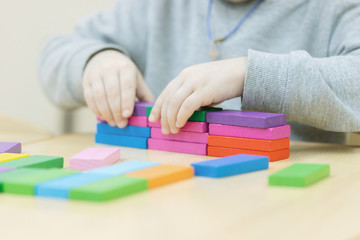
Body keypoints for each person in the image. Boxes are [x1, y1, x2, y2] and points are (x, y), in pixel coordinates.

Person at [39, 0, 360, 144]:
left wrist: (250, 74)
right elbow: (56, 51)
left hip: (283, 207)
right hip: (164, 200)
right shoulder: (155, 6)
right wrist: (96, 59)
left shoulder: (333, 7)